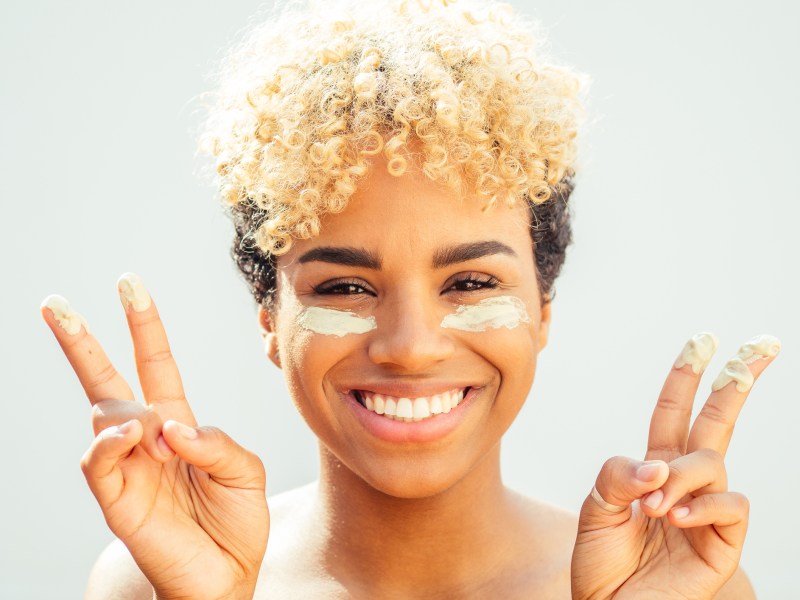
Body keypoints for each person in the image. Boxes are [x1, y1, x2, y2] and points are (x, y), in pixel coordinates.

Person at [40, 1, 778, 597]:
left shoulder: (674, 585)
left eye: (470, 283)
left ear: (544, 308)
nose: (411, 345)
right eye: (346, 287)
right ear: (271, 318)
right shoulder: (156, 578)